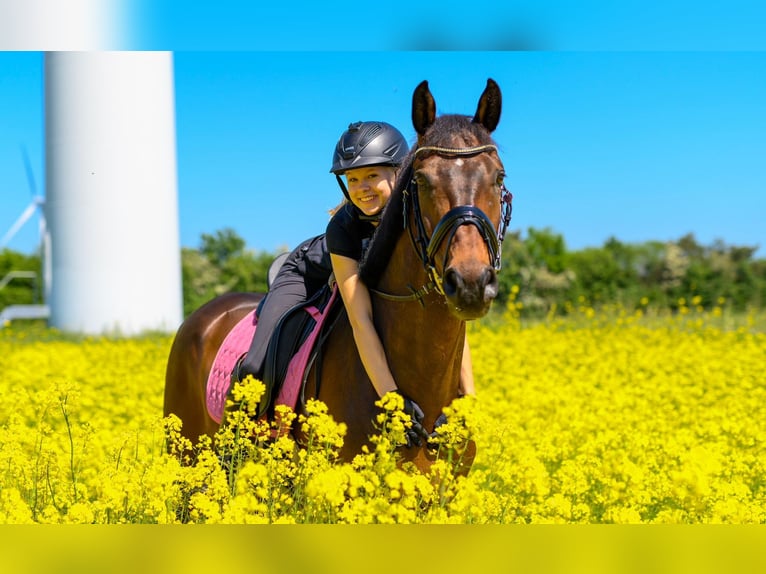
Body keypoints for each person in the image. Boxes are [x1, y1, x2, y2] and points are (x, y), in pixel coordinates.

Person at [232, 120, 474, 445]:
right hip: (306, 272)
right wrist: (392, 401)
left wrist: (468, 401)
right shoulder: (343, 228)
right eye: (353, 178)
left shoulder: (419, 222)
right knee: (255, 367)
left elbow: (447, 314)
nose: (362, 187)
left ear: (399, 172)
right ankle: (244, 446)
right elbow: (360, 321)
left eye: (372, 175)